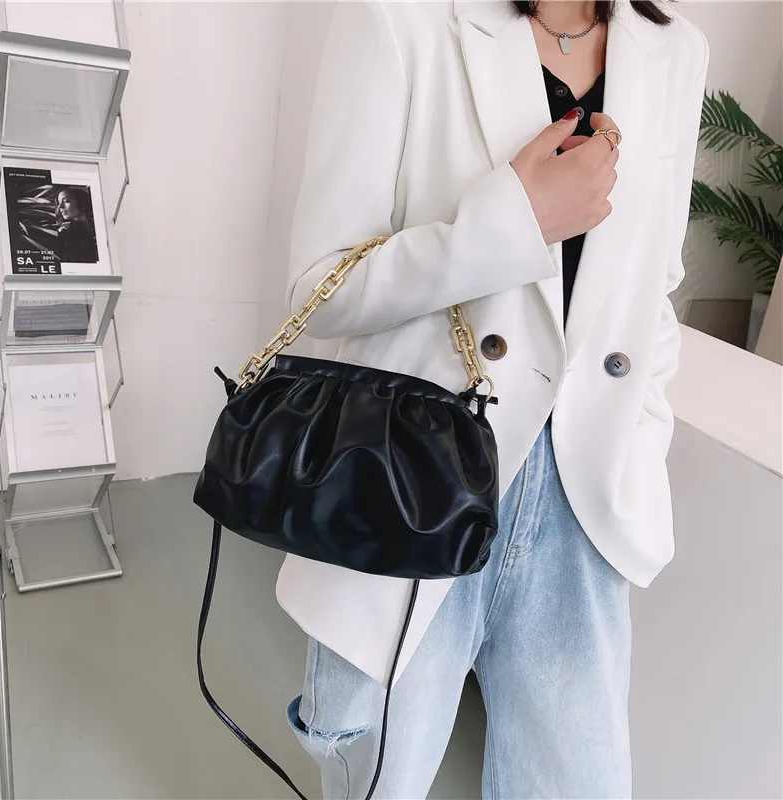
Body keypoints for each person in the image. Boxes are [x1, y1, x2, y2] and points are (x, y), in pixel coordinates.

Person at [278, 1, 709, 797]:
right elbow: (319, 287)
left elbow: (657, 287)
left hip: (583, 504)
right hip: (415, 479)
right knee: (381, 777)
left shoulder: (674, 48)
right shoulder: (399, 19)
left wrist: (641, 442)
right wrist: (513, 223)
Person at [55, 186, 98, 263]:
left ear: (81, 202)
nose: (60, 207)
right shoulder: (66, 232)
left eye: (66, 201)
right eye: (58, 202)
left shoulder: (99, 227)